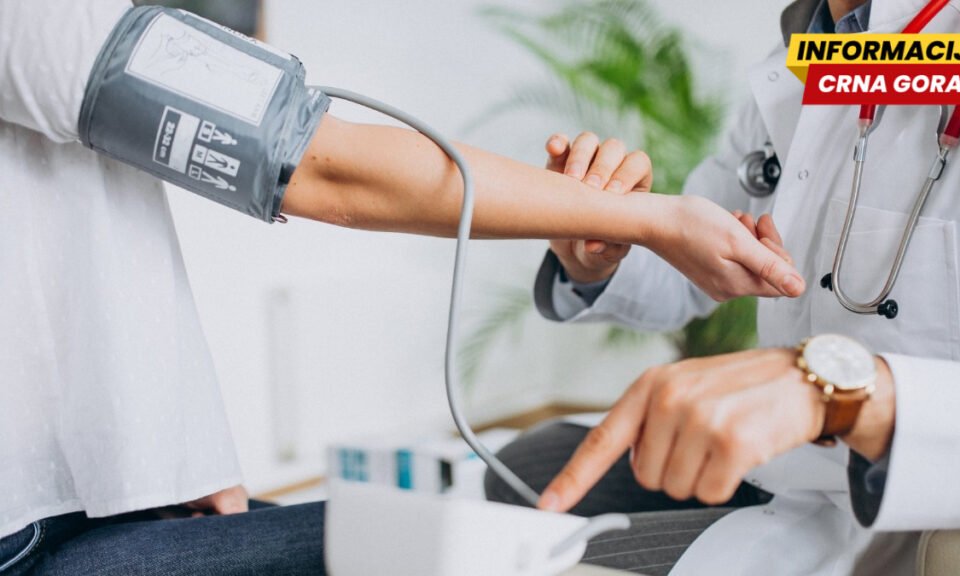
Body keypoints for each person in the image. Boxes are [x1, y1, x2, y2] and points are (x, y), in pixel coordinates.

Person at [0, 1, 805, 574]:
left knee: (468, 536)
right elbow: (322, 163)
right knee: (493, 504)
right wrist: (620, 236)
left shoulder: (872, 51)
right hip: (30, 524)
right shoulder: (806, 58)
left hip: (85, 492)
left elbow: (65, 243)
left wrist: (173, 454)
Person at [486, 0, 960, 574]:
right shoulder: (815, 46)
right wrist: (603, 251)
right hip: (783, 460)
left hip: (906, 490)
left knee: (539, 561)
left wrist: (845, 396)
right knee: (517, 473)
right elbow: (692, 265)